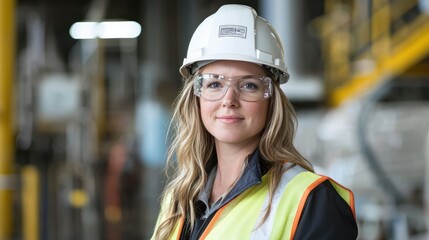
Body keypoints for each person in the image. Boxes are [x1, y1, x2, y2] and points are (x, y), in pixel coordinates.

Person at [151, 4, 358, 240]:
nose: (229, 100)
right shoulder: (177, 200)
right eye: (214, 84)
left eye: (249, 85)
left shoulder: (311, 201)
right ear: (196, 97)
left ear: (272, 100)